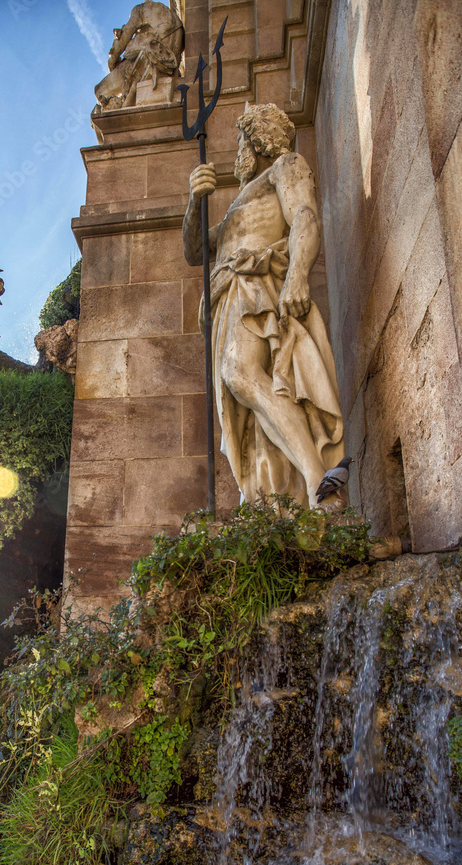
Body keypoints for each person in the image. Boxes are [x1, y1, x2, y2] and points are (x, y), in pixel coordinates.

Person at [182, 103, 344, 508]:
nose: (237, 149)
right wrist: (195, 202)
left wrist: (298, 275)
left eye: (240, 139)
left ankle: (317, 478)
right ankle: (276, 497)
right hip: (227, 297)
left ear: (256, 140)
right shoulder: (240, 201)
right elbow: (197, 249)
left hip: (255, 286)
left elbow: (305, 216)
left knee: (240, 373)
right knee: (244, 407)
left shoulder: (285, 166)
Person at [94, 1, 184, 110]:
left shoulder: (140, 9)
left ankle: (114, 109)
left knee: (99, 90)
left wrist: (113, 59)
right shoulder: (171, 16)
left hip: (150, 56)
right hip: (169, 61)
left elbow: (125, 34)